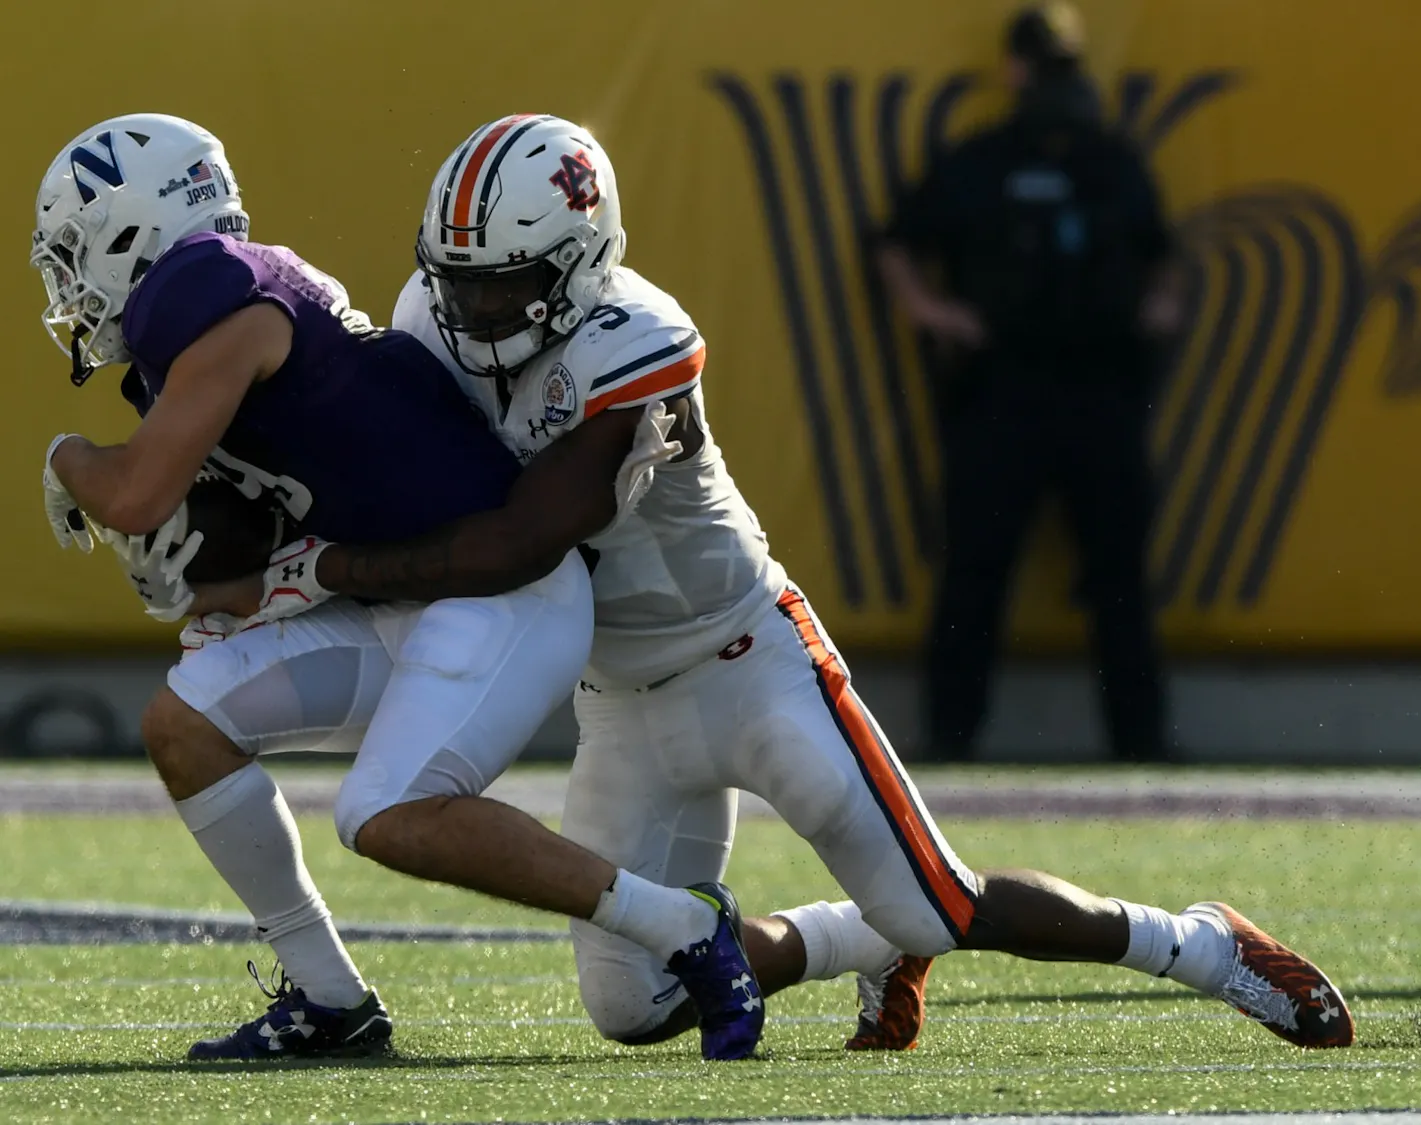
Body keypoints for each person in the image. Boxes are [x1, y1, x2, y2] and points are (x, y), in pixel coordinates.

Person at [204, 113, 1353, 1053]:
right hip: (618, 699)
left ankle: (1199, 944)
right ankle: (860, 940)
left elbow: (520, 545)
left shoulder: (637, 342)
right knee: (634, 1008)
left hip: (749, 662)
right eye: (461, 281)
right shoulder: (432, 320)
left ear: (579, 263)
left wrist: (327, 570)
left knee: (943, 904)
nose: (474, 311)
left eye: (506, 287)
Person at [32, 113, 763, 1063]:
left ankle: (684, 927)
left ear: (130, 233)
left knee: (382, 812)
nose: (71, 286)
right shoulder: (221, 314)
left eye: (75, 254)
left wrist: (64, 459)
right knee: (185, 723)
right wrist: (225, 578)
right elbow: (259, 537)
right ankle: (332, 999)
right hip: (406, 598)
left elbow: (132, 493)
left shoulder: (209, 293)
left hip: (507, 599)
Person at [878, 1, 1180, 764]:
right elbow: (896, 243)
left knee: (1119, 575)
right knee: (976, 567)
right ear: (1014, 71)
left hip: (1101, 386)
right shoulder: (982, 162)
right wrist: (934, 312)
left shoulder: (1111, 163)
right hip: (1002, 390)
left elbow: (1162, 254)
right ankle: (949, 739)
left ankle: (1139, 744)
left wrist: (1156, 310)